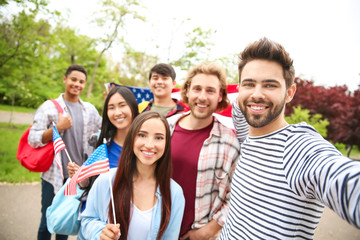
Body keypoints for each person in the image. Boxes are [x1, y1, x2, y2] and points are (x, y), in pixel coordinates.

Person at [220, 37, 360, 240]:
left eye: (270, 85)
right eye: (249, 84)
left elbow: (344, 180)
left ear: (290, 93)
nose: (257, 94)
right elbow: (240, 108)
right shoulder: (246, 136)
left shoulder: (297, 148)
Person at [81, 111, 185, 240]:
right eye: (142, 135)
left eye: (159, 137)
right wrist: (100, 233)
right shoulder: (107, 180)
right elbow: (87, 220)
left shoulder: (174, 193)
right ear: (132, 139)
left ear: (166, 144)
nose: (149, 145)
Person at [167, 62, 241, 239]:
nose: (202, 97)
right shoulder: (164, 127)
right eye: (197, 89)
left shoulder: (229, 143)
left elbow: (237, 196)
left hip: (196, 234)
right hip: (156, 228)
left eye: (210, 91)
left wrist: (205, 232)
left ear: (220, 95)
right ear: (187, 91)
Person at [28, 64, 102, 240]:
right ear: (65, 79)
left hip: (77, 177)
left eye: (81, 81)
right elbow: (33, 138)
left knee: (65, 221)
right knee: (48, 220)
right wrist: (58, 128)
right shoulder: (49, 107)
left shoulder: (90, 110)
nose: (77, 84)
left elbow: (103, 132)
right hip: (54, 176)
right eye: (73, 79)